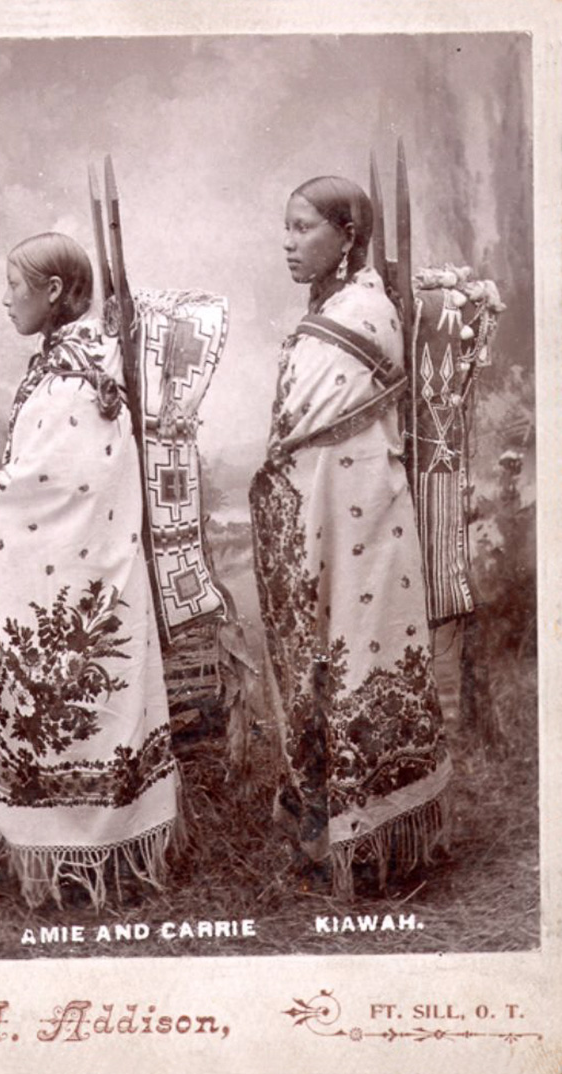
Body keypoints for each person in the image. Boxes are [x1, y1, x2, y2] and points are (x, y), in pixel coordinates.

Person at [249, 177, 452, 898]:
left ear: (347, 235)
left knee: (363, 658)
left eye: (303, 228)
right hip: (325, 514)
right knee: (323, 665)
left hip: (361, 514)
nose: (288, 242)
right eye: (286, 227)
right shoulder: (336, 308)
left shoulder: (362, 311)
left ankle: (372, 839)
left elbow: (317, 430)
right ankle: (330, 827)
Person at [0, 232, 180, 909]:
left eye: (16, 284)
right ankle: (90, 852)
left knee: (77, 689)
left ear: (55, 292)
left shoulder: (74, 377)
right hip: (93, 570)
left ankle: (88, 852)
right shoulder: (76, 362)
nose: (6, 299)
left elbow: (61, 479)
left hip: (88, 569)